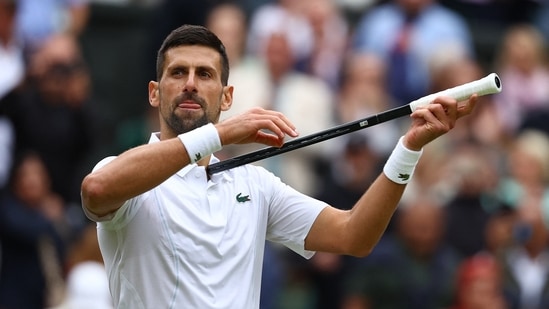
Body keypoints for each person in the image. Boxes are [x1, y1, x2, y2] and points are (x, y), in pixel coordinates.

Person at [80, 24, 478, 308]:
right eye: (177, 73)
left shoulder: (254, 184)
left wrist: (409, 148)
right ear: (154, 93)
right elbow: (97, 190)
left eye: (204, 74)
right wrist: (222, 134)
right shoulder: (122, 172)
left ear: (226, 96)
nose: (190, 84)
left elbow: (353, 235)